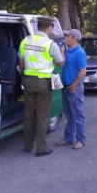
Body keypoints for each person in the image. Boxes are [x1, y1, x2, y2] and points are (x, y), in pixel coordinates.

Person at [18, 17, 65, 157]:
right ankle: (41, 148)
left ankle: (27, 146)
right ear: (49, 27)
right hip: (44, 83)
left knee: (29, 114)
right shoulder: (51, 44)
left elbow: (21, 63)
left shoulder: (25, 41)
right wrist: (62, 54)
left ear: (38, 26)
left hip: (28, 82)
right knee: (43, 116)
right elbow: (60, 63)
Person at [56, 29, 87, 149]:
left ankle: (81, 140)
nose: (65, 37)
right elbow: (62, 64)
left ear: (73, 38)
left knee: (78, 114)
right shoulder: (69, 51)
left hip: (75, 88)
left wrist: (73, 85)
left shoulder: (80, 52)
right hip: (66, 87)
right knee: (69, 115)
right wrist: (62, 53)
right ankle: (68, 138)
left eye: (67, 36)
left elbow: (83, 72)